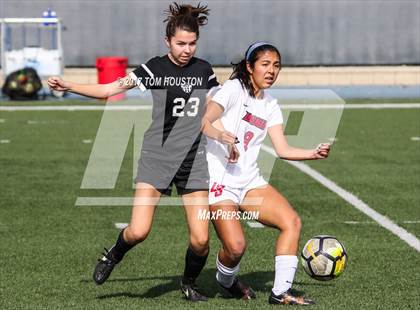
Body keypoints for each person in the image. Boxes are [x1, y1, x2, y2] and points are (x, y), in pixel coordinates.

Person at [48, 3, 219, 302]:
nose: (186, 49)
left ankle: (189, 283)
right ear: (167, 41)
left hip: (193, 161)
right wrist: (69, 85)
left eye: (192, 43)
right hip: (157, 158)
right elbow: (109, 89)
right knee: (138, 231)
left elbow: (217, 108)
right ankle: (113, 254)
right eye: (180, 43)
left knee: (201, 239)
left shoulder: (205, 70)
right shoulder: (154, 67)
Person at [201, 42, 331, 305]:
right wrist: (224, 138)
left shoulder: (271, 105)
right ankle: (225, 281)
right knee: (235, 248)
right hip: (219, 184)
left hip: (249, 182)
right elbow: (203, 121)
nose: (271, 71)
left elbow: (282, 149)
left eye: (276, 65)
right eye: (265, 64)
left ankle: (280, 292)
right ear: (249, 67)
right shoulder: (233, 89)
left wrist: (312, 153)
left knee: (291, 222)